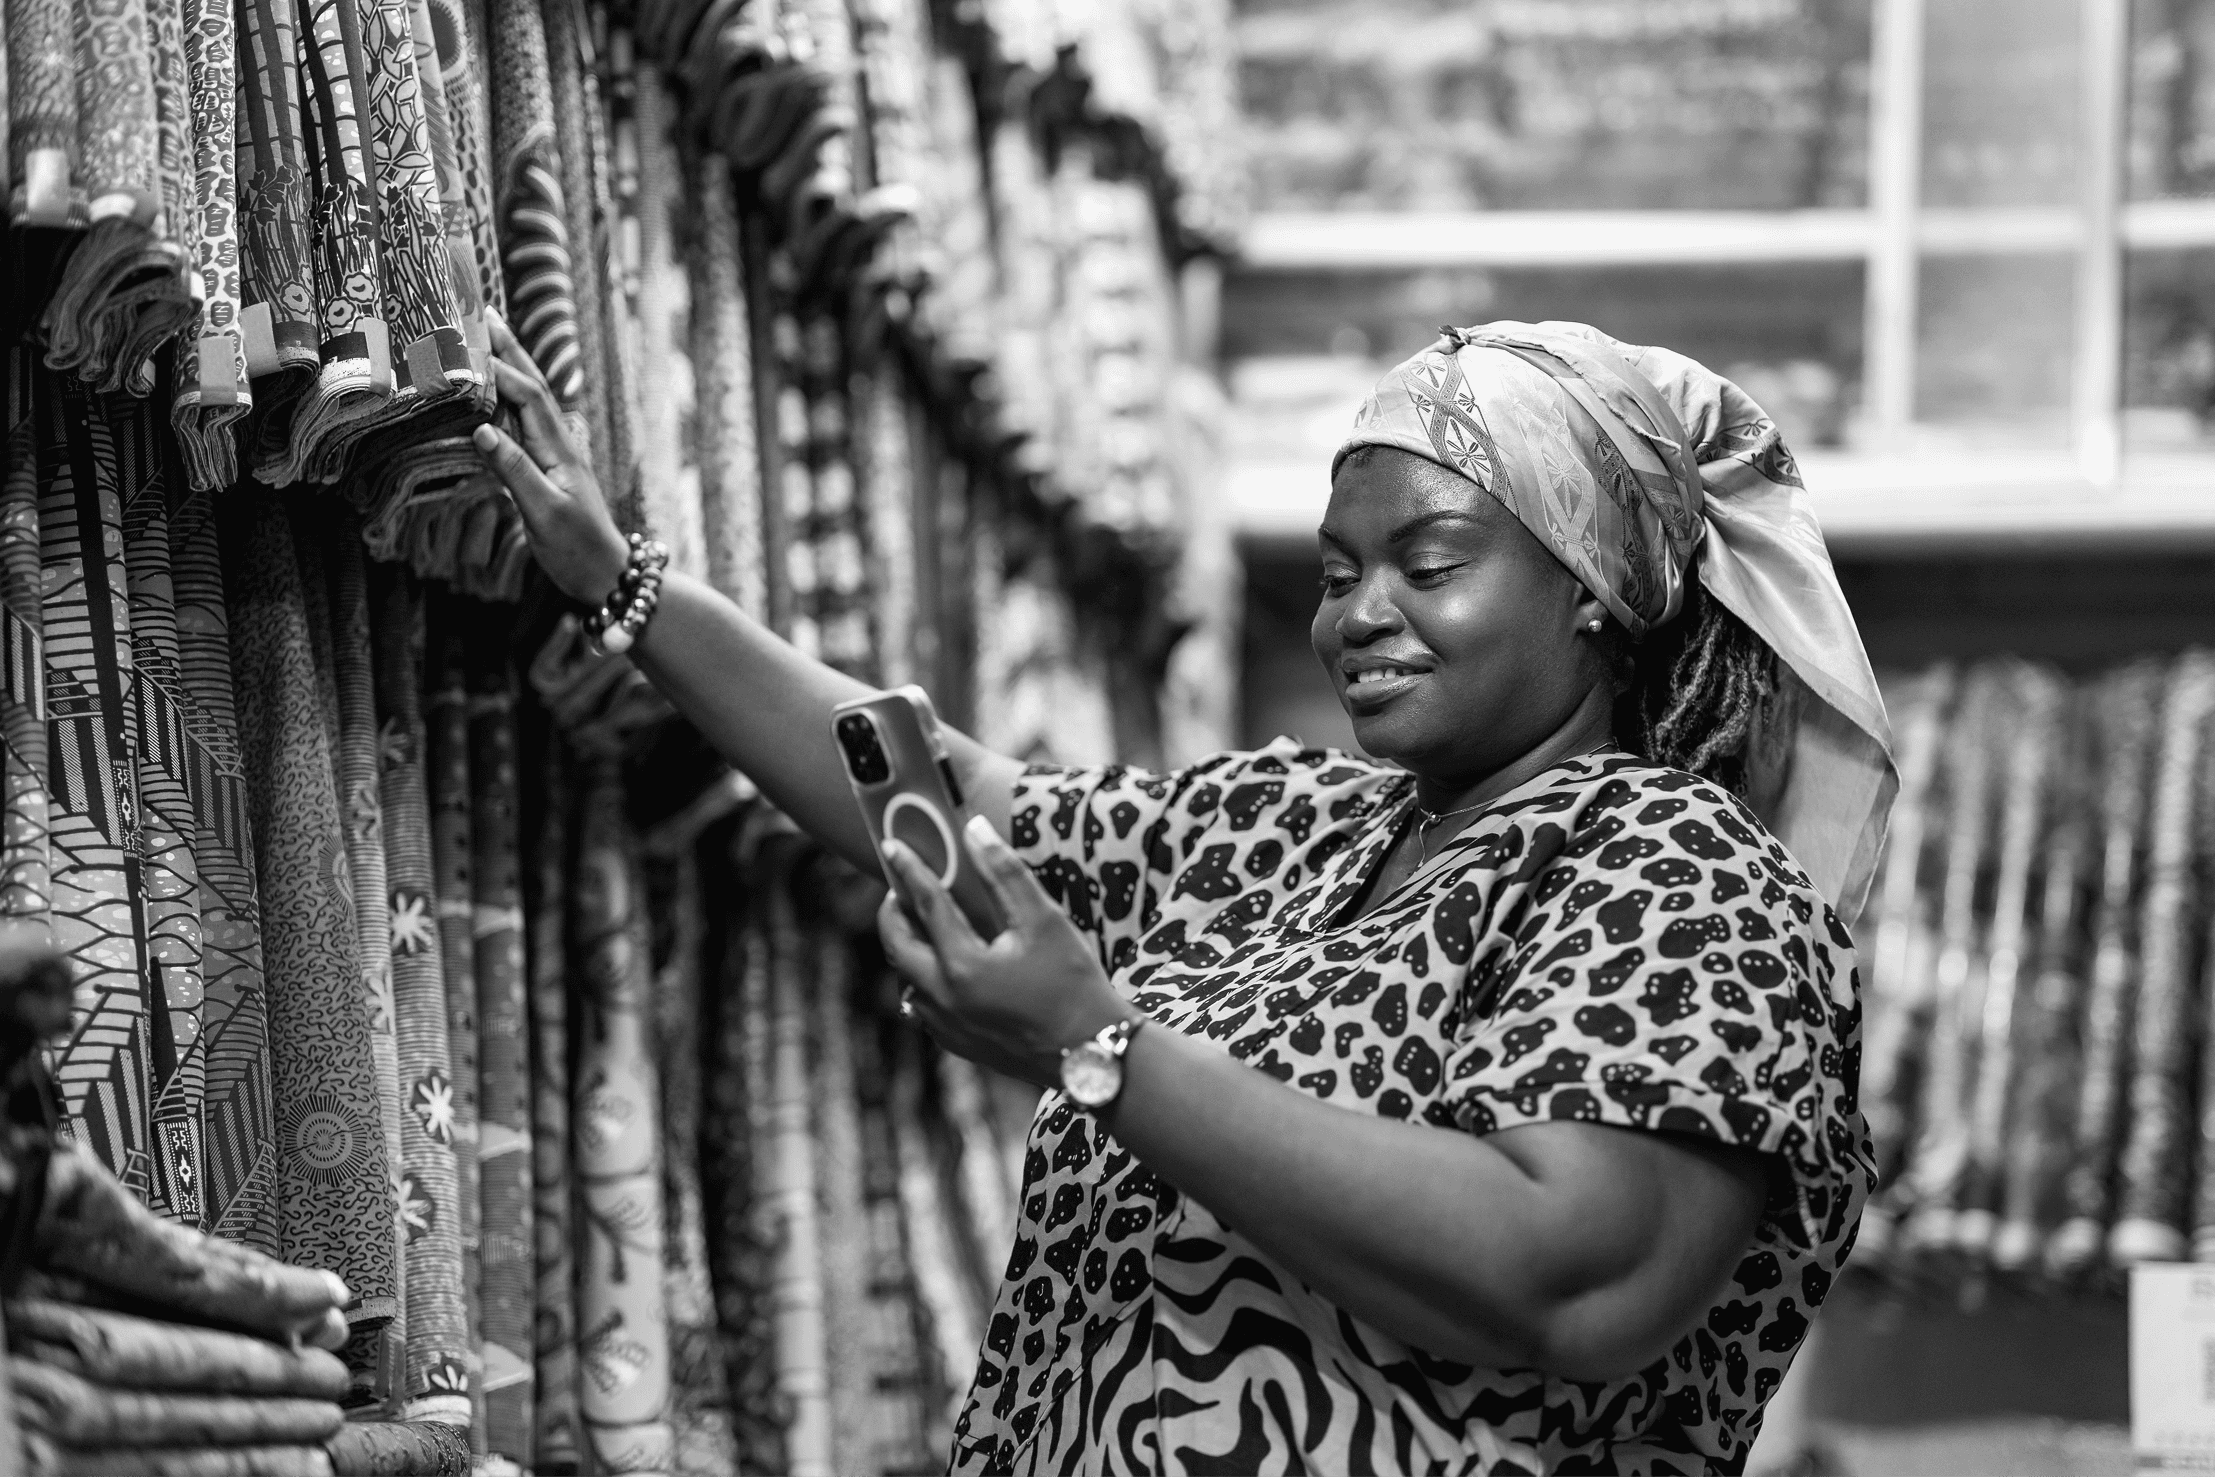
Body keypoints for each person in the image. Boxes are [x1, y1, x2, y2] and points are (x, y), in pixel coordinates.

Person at [473, 312, 1895, 1474]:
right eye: (1338, 575)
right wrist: (626, 590)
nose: (1358, 616)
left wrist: (1102, 1051)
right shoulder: (1295, 830)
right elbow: (944, 794)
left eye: (1429, 564)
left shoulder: (1683, 876)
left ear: (1591, 585)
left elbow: (1569, 1277)